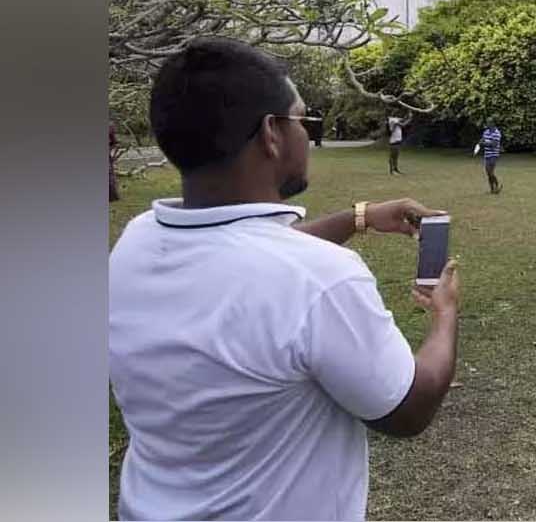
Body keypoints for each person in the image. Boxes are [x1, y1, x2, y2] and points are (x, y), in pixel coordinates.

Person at [108, 37, 463, 521]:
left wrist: (358, 217)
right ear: (272, 133)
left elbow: (246, 260)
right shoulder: (321, 280)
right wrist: (445, 316)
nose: (306, 134)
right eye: (303, 119)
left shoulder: (136, 243)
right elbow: (410, 408)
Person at [475, 118, 503, 194]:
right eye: (487, 122)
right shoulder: (486, 132)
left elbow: (494, 145)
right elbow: (482, 139)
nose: (487, 124)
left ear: (493, 123)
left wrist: (483, 144)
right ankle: (492, 189)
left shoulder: (497, 133)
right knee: (488, 172)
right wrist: (479, 142)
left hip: (494, 154)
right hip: (487, 154)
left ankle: (497, 185)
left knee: (490, 172)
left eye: (489, 122)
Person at [109, 121, 121, 202]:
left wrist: (113, 154)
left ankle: (112, 196)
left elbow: (115, 143)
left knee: (109, 175)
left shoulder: (110, 125)